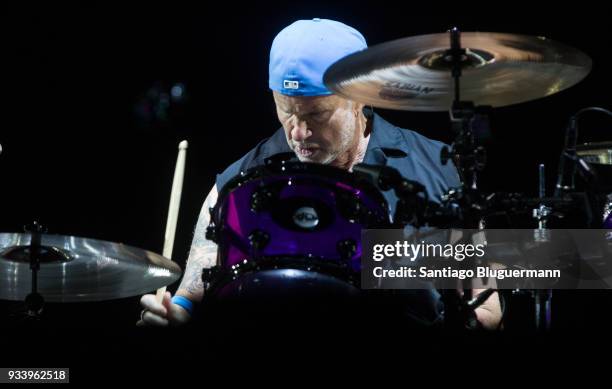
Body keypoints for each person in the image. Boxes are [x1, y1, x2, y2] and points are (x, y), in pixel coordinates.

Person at [138, 18, 502, 329]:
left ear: (362, 95)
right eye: (286, 111)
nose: (297, 132)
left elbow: (486, 308)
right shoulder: (239, 183)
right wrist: (175, 314)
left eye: (316, 115)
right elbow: (190, 295)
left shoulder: (435, 165)